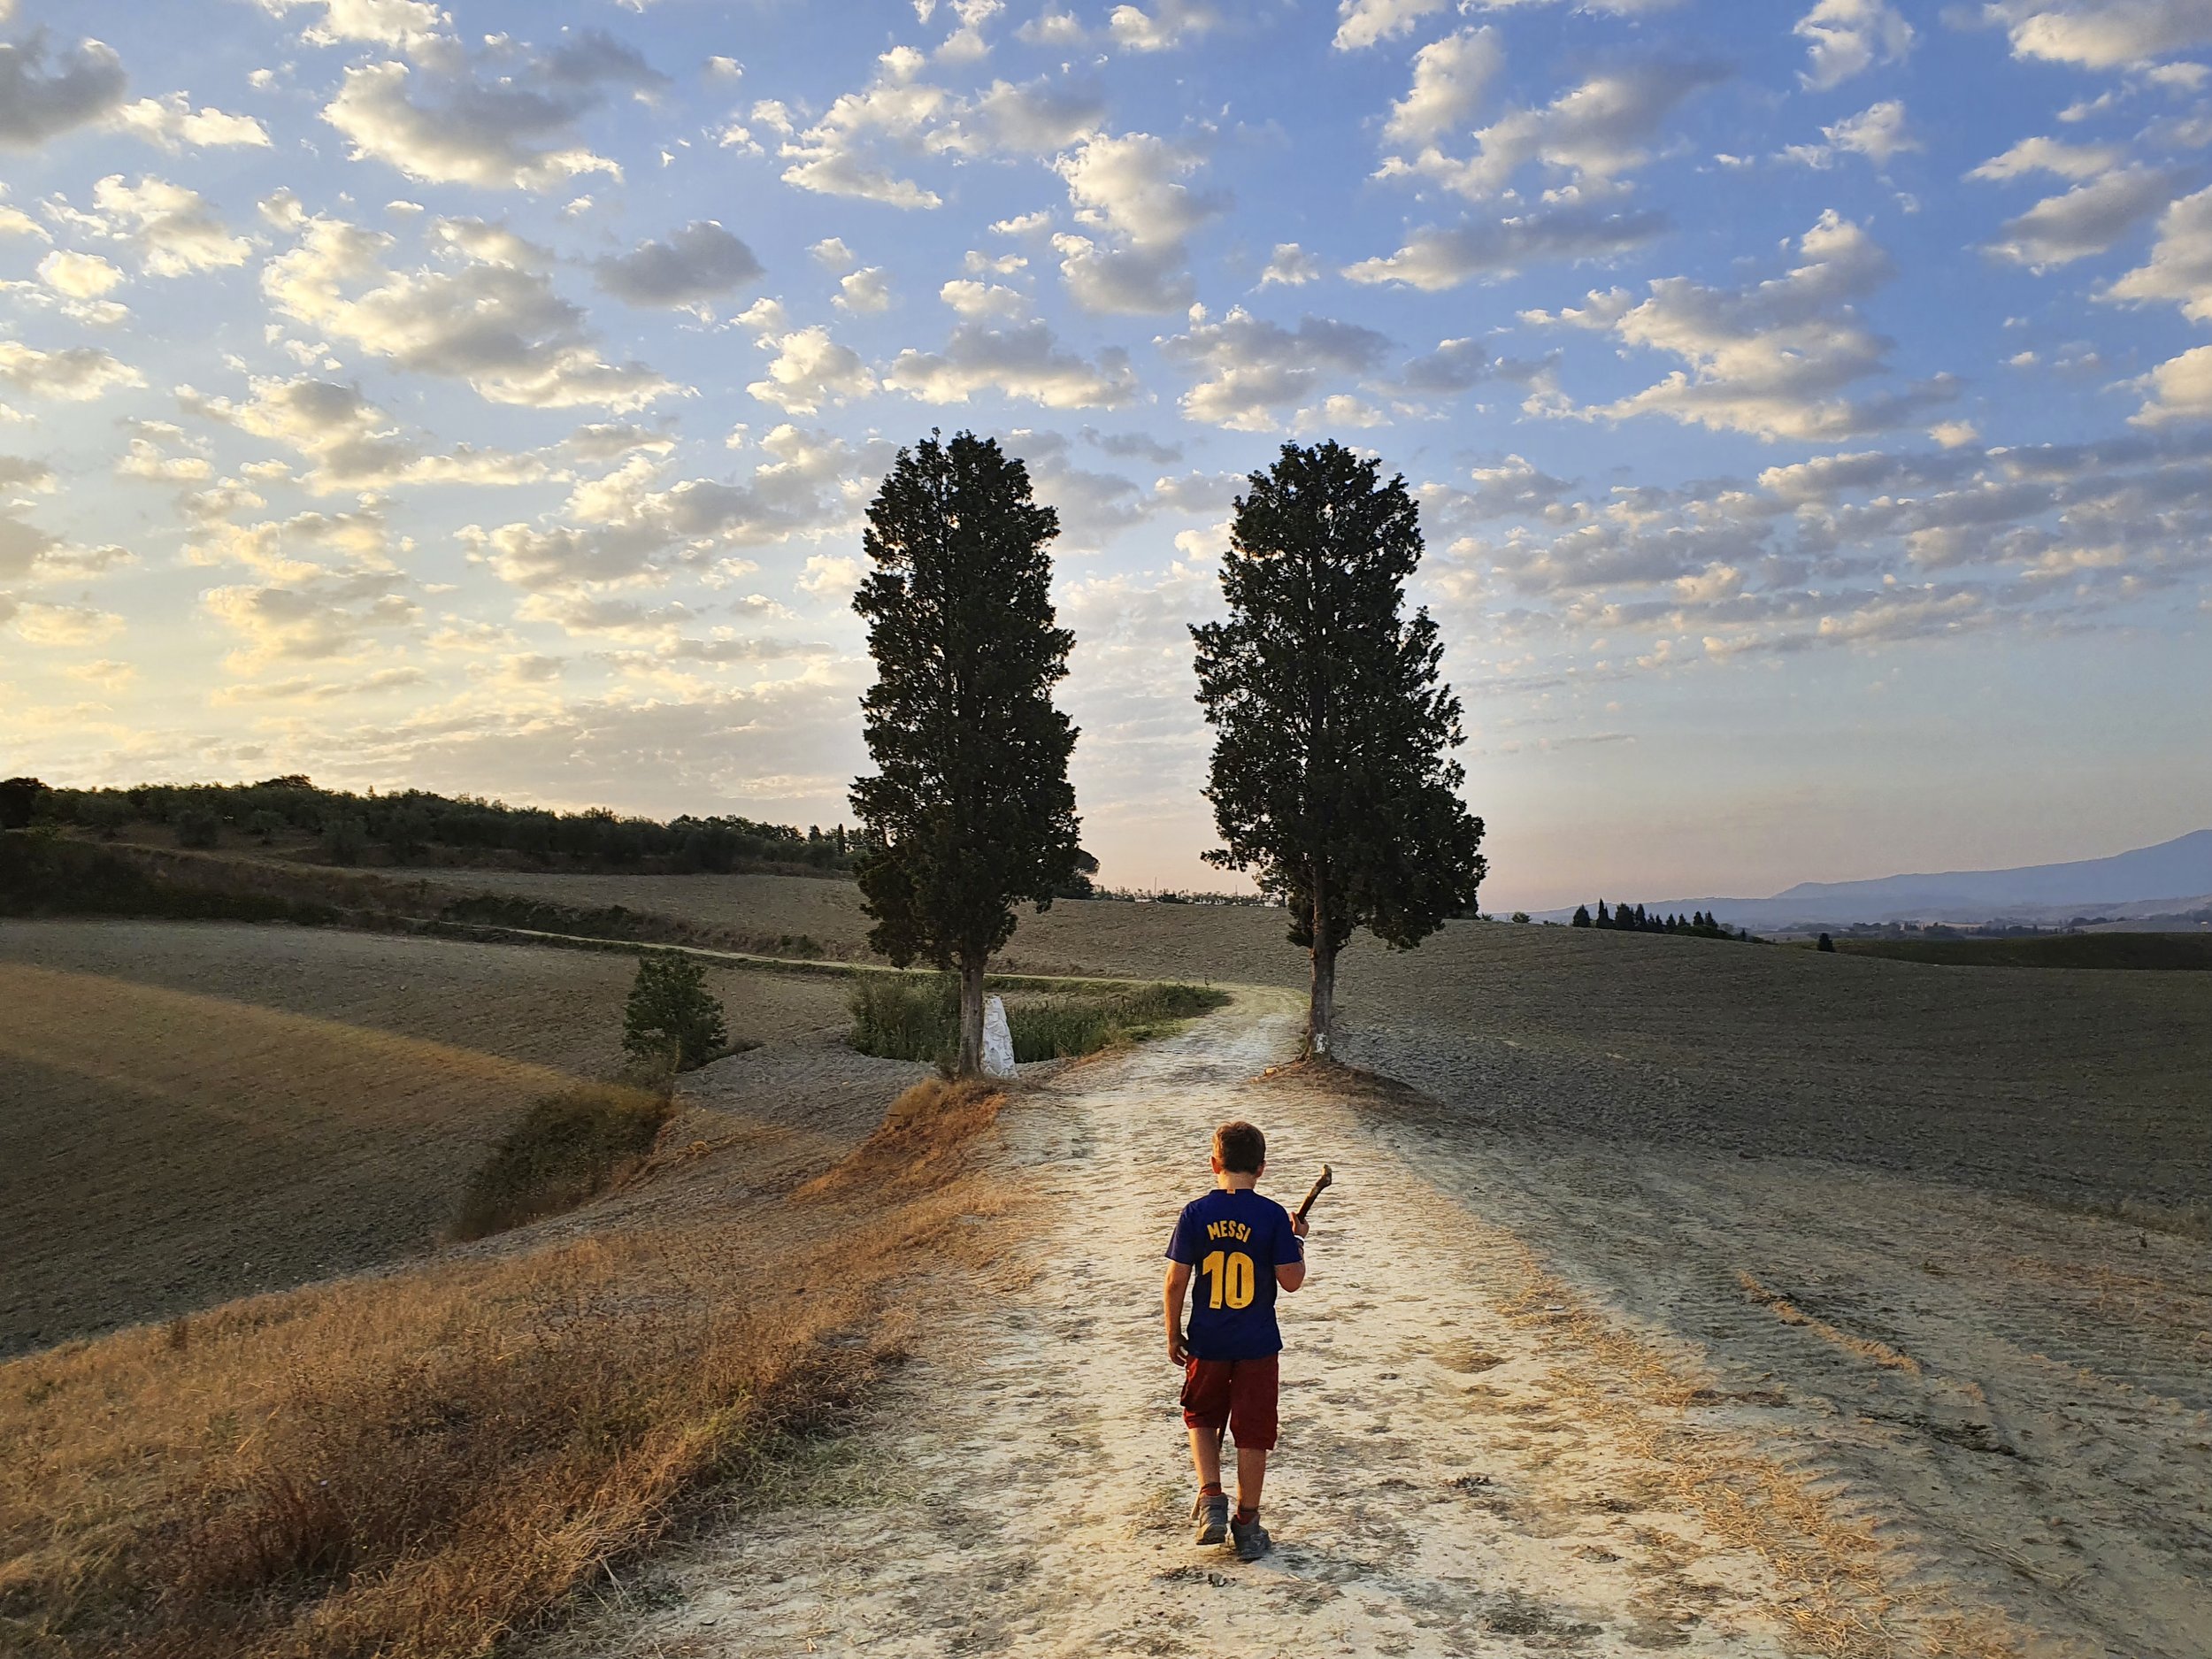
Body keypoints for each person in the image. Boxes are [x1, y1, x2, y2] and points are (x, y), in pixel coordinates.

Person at [1163, 1118, 1309, 1562]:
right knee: (1253, 1431)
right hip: (1258, 1344)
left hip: (1207, 1341)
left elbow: (1175, 1280)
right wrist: (1295, 1240)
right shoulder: (1271, 1216)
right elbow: (1291, 1281)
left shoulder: (1195, 1213)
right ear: (1261, 1169)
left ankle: (1211, 1499)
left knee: (1202, 1415)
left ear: (1214, 1165)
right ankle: (1247, 1522)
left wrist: (1173, 1333)